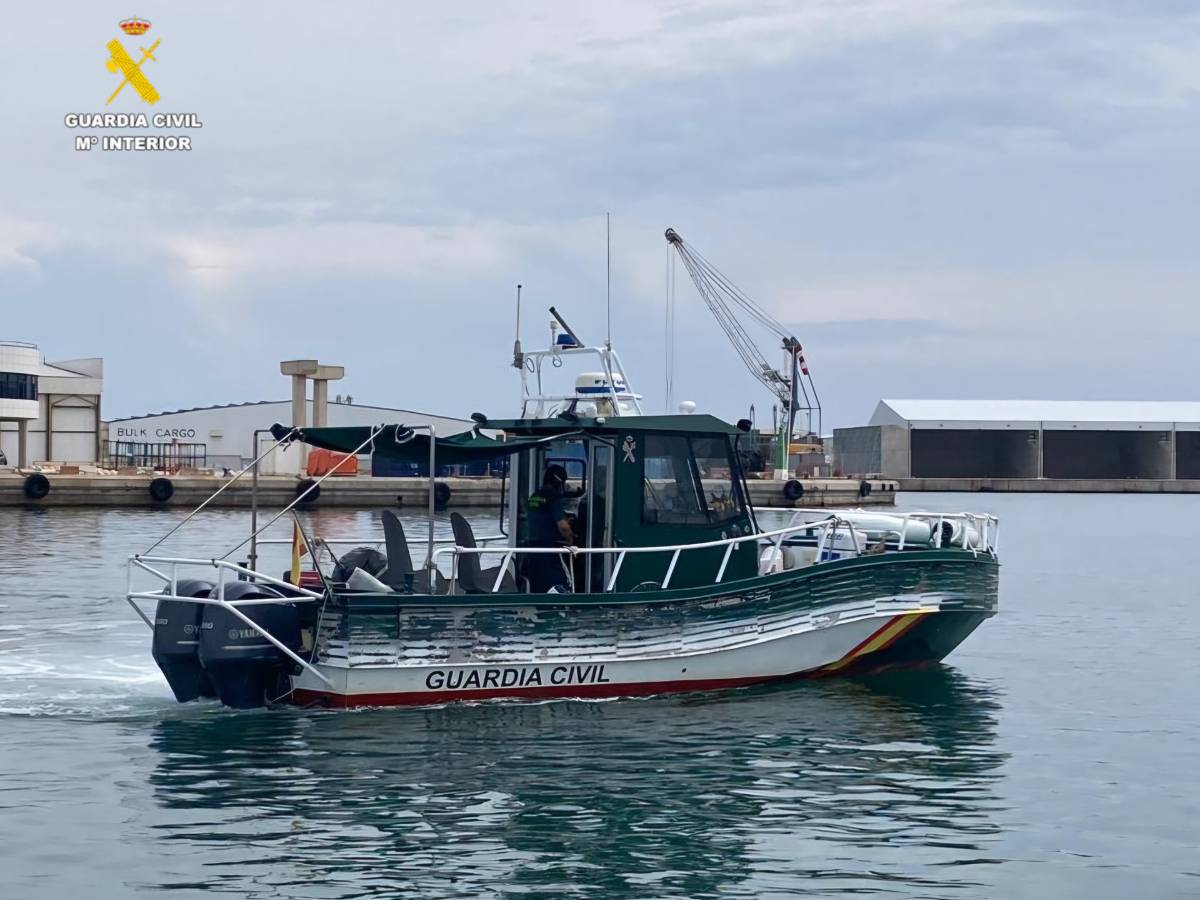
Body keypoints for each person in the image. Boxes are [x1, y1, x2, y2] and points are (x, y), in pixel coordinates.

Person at [524, 464, 574, 591]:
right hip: (550, 550)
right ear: (559, 482)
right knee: (562, 583)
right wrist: (570, 539)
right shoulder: (553, 497)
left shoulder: (534, 496)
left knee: (538, 585)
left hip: (531, 550)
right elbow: (563, 526)